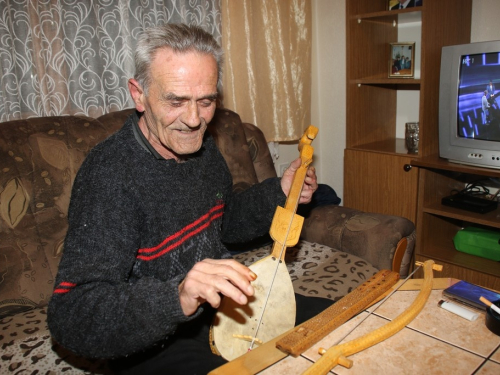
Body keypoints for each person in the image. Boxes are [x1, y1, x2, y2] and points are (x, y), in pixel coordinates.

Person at [47, 23, 325, 374]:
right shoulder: (110, 175)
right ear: (139, 94)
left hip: (218, 307)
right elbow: (71, 313)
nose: (194, 120)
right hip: (153, 341)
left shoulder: (203, 149)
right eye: (176, 101)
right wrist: (177, 295)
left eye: (205, 101)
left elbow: (224, 225)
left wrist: (280, 193)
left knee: (340, 323)